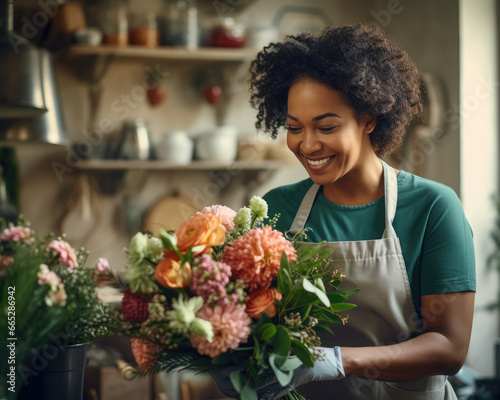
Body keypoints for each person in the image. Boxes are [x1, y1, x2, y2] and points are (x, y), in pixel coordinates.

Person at [212, 24, 475, 400]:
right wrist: (232, 361)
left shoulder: (433, 207)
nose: (307, 145)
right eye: (293, 127)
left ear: (368, 118)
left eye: (326, 126)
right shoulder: (277, 208)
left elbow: (450, 348)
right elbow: (253, 321)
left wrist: (336, 360)